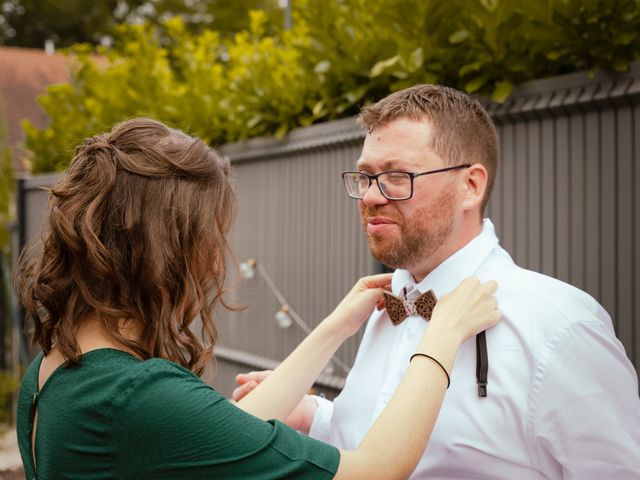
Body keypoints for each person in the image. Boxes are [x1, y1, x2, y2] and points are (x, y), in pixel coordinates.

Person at [15, 117, 501, 479]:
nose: (215, 260)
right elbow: (375, 471)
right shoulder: (136, 396)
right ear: (168, 251)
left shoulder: (52, 372)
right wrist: (440, 337)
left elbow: (226, 432)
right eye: (210, 236)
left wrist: (333, 328)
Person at [234, 85, 640, 478]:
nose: (373, 196)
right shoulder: (379, 306)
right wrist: (315, 416)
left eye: (397, 175)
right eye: (365, 176)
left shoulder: (559, 328)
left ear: (471, 185)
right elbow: (376, 442)